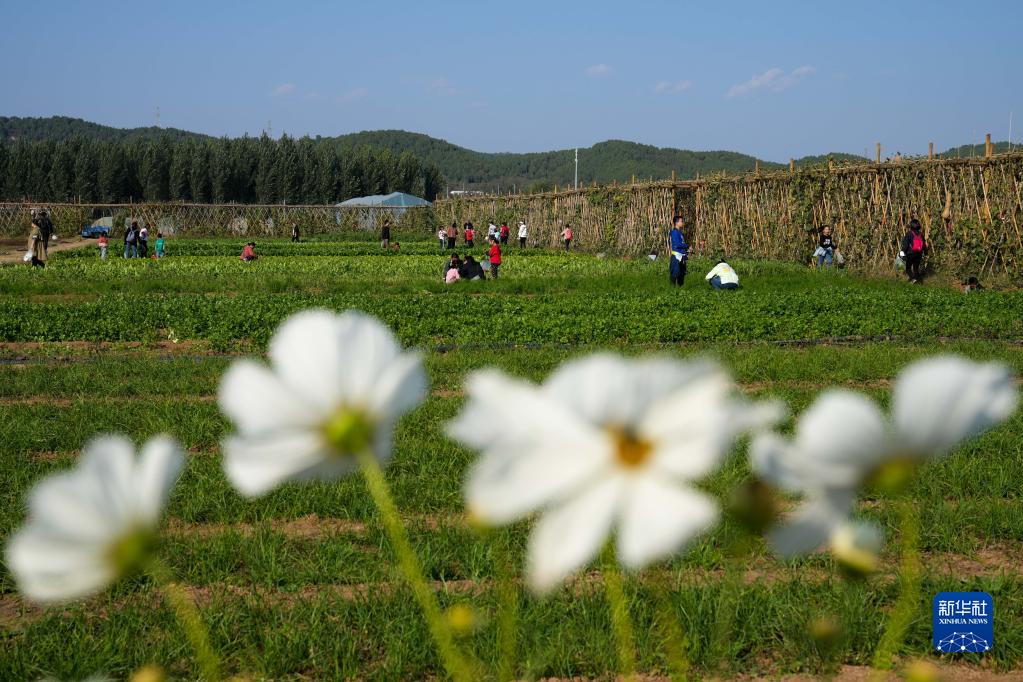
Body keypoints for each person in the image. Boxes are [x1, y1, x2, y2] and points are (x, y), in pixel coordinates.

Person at [900, 218, 926, 283]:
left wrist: (902, 252)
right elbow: (924, 245)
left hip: (911, 253)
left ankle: (912, 279)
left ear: (911, 226)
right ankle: (918, 281)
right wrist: (925, 252)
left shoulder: (909, 234)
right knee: (916, 268)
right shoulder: (921, 234)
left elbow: (905, 244)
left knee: (908, 268)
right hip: (919, 254)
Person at [667, 215, 689, 286]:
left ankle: (680, 290)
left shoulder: (680, 232)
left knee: (682, 274)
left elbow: (681, 243)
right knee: (675, 273)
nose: (682, 223)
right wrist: (687, 246)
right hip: (676, 256)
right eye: (681, 221)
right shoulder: (674, 232)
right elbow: (677, 244)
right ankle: (672, 290)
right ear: (676, 223)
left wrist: (687, 250)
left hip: (682, 256)